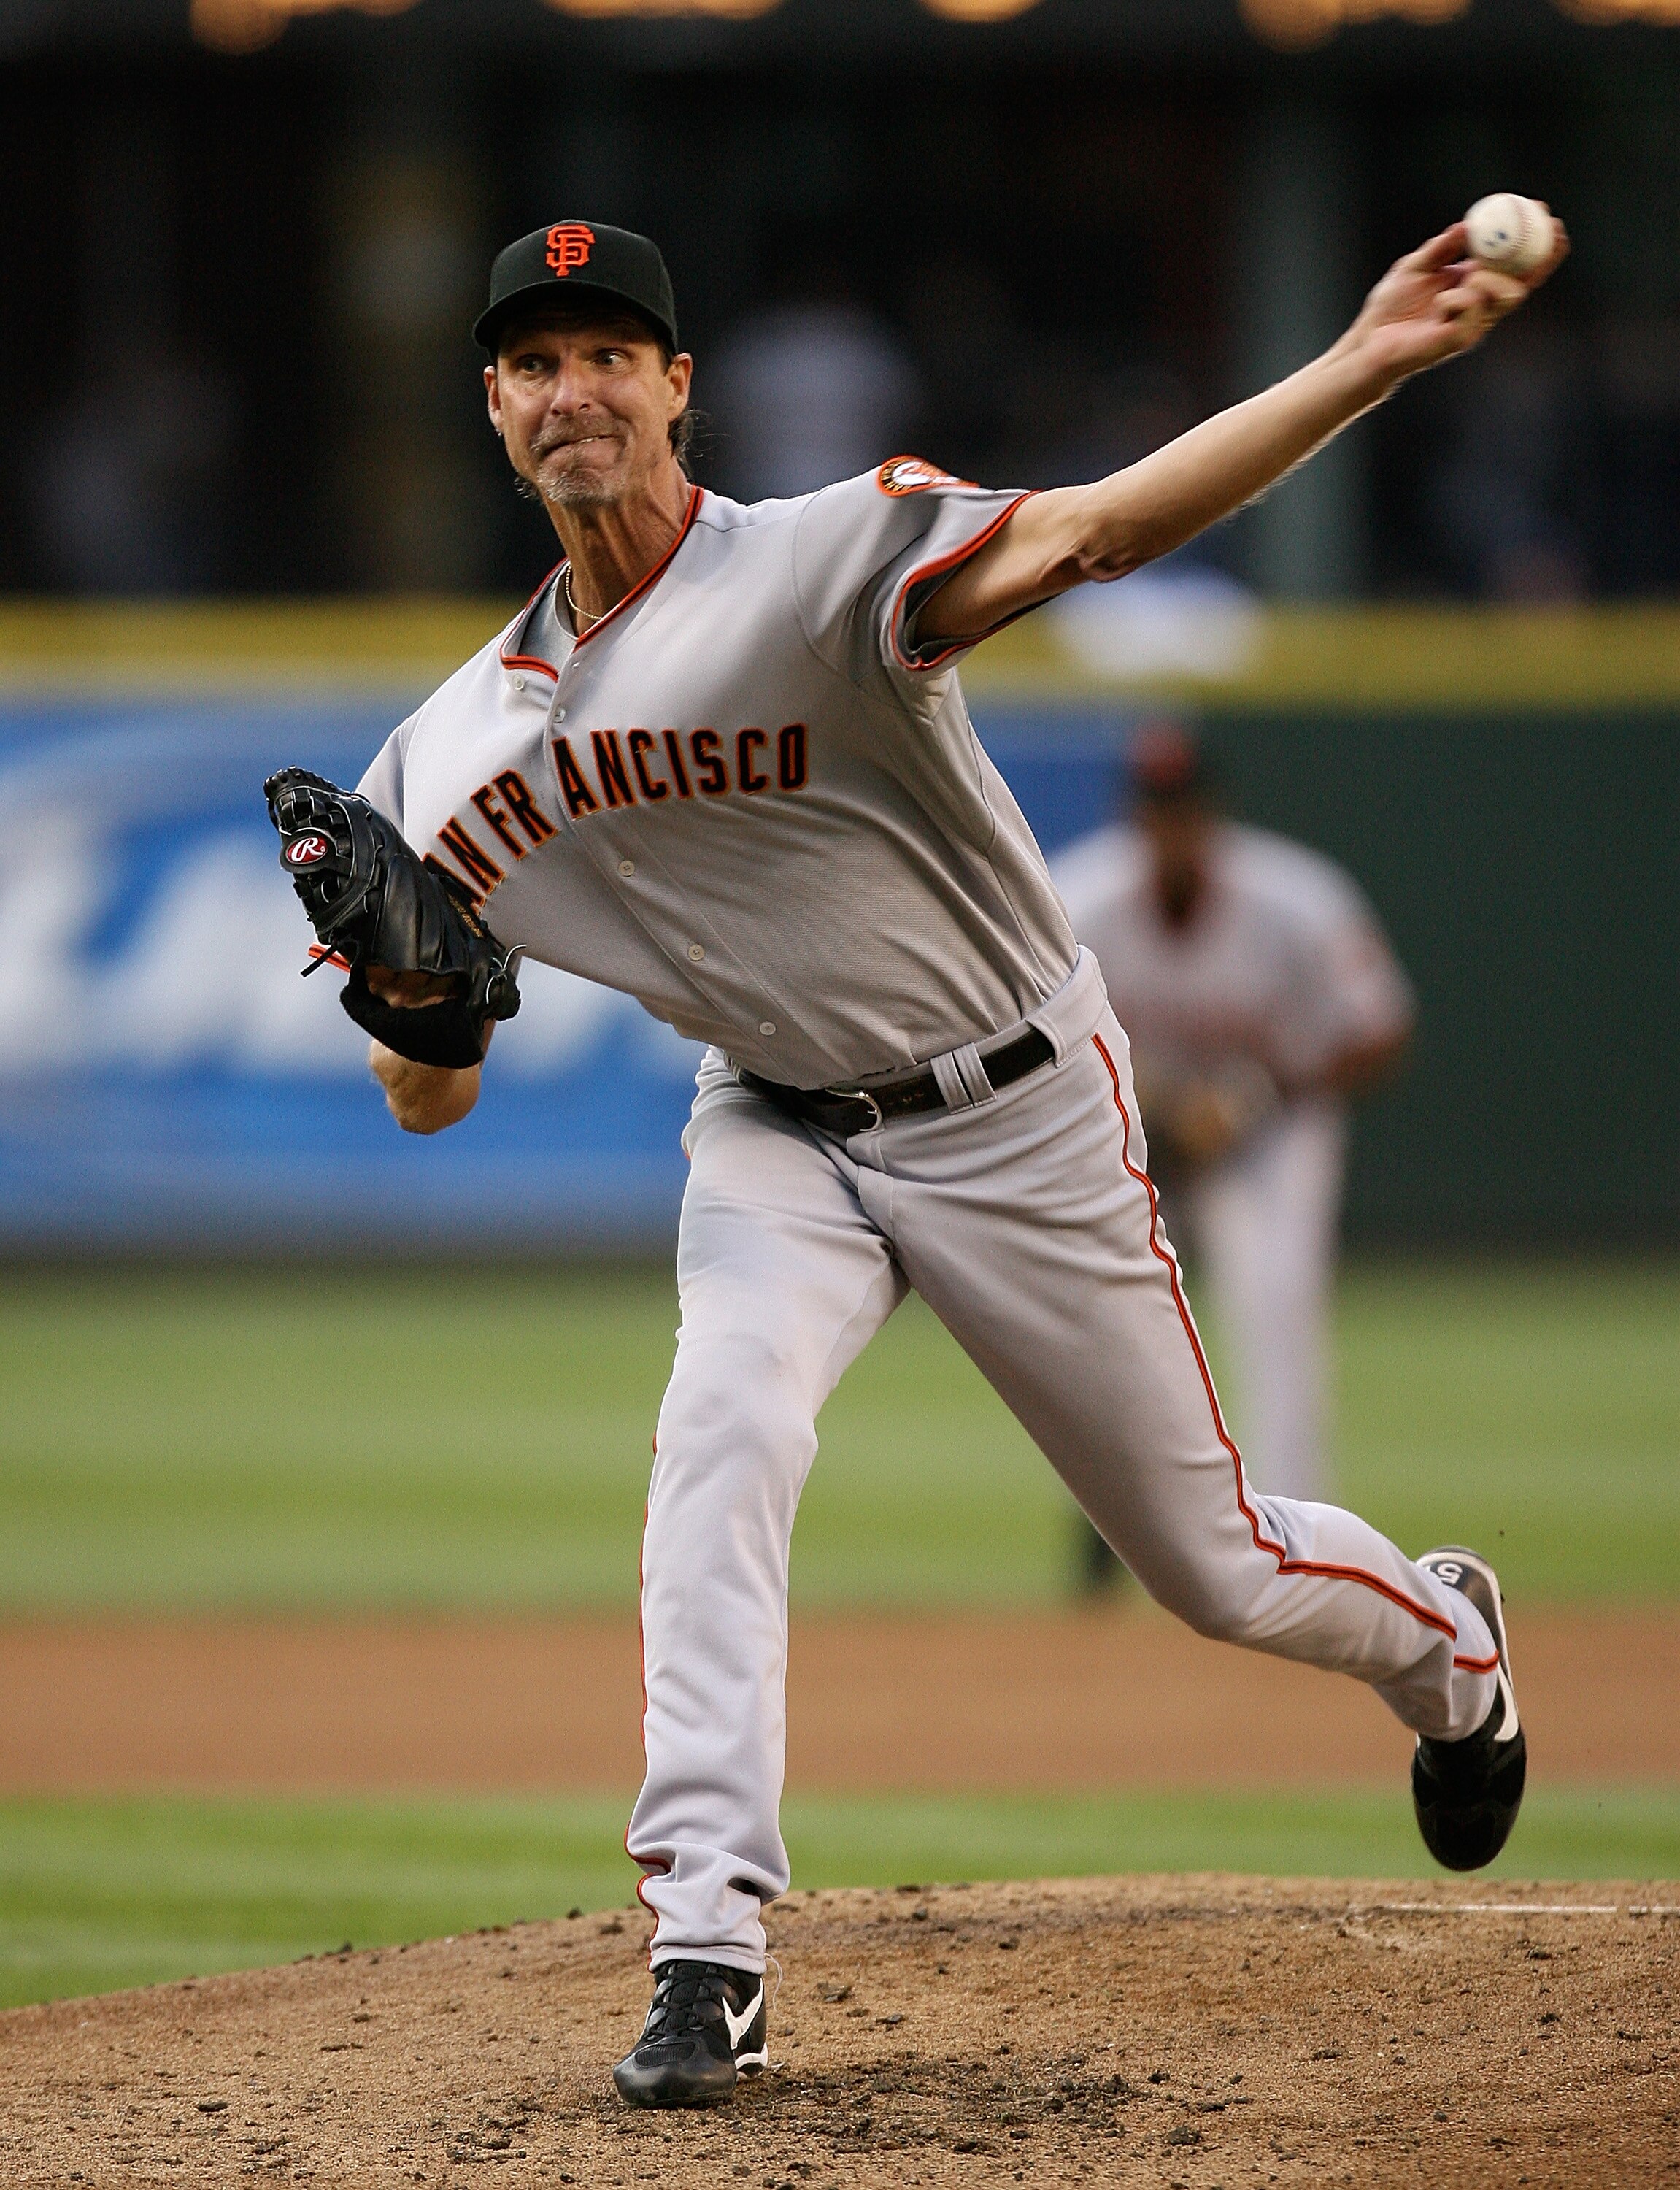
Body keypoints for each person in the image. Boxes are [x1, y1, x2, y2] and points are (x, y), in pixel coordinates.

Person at [348, 212, 1557, 2108]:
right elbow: (427, 1099)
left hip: (1016, 1109)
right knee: (720, 1430)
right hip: (774, 1125)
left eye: (606, 354)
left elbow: (1098, 532)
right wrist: (422, 1010)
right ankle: (706, 1944)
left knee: (1212, 1569)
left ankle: (1449, 1654)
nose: (570, 390)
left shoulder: (825, 558)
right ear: (491, 406)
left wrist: (1364, 360)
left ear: (676, 386)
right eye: (532, 362)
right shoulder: (438, 764)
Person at [1056, 724, 1414, 1568]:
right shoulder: (1079, 899)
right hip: (1139, 1132)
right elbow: (1043, 1041)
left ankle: (1299, 1541)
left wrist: (1250, 1098)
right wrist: (1154, 1105)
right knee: (1102, 1312)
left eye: (1181, 809)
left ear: (1209, 814)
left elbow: (1381, 1030)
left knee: (1274, 1301)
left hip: (1273, 1135)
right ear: (1132, 818)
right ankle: (1115, 1521)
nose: (1168, 828)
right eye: (1154, 811)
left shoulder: (1297, 898)